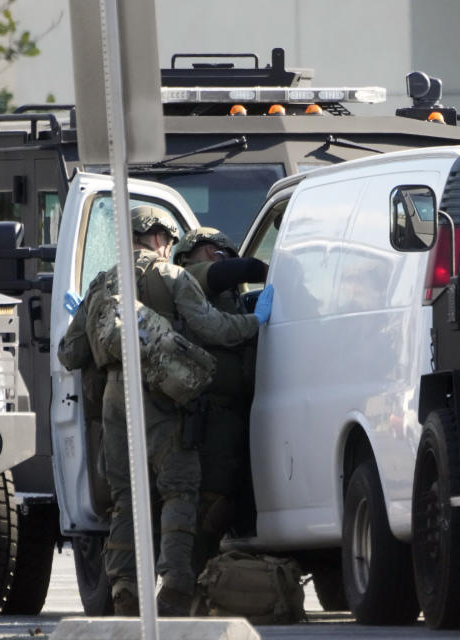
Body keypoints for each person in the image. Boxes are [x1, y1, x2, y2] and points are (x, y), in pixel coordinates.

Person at [87, 207, 274, 617]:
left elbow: (71, 352)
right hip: (162, 392)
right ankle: (174, 587)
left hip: (115, 398)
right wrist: (254, 323)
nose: (169, 249)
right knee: (179, 490)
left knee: (125, 500)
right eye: (169, 242)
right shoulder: (172, 277)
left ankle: (124, 590)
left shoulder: (102, 284)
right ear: (158, 238)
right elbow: (213, 329)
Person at [172, 227, 268, 573]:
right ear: (190, 254)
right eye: (211, 250)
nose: (217, 257)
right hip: (209, 413)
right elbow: (231, 271)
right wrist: (268, 268)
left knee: (230, 497)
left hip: (235, 411)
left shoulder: (226, 295)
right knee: (209, 505)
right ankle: (193, 580)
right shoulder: (189, 277)